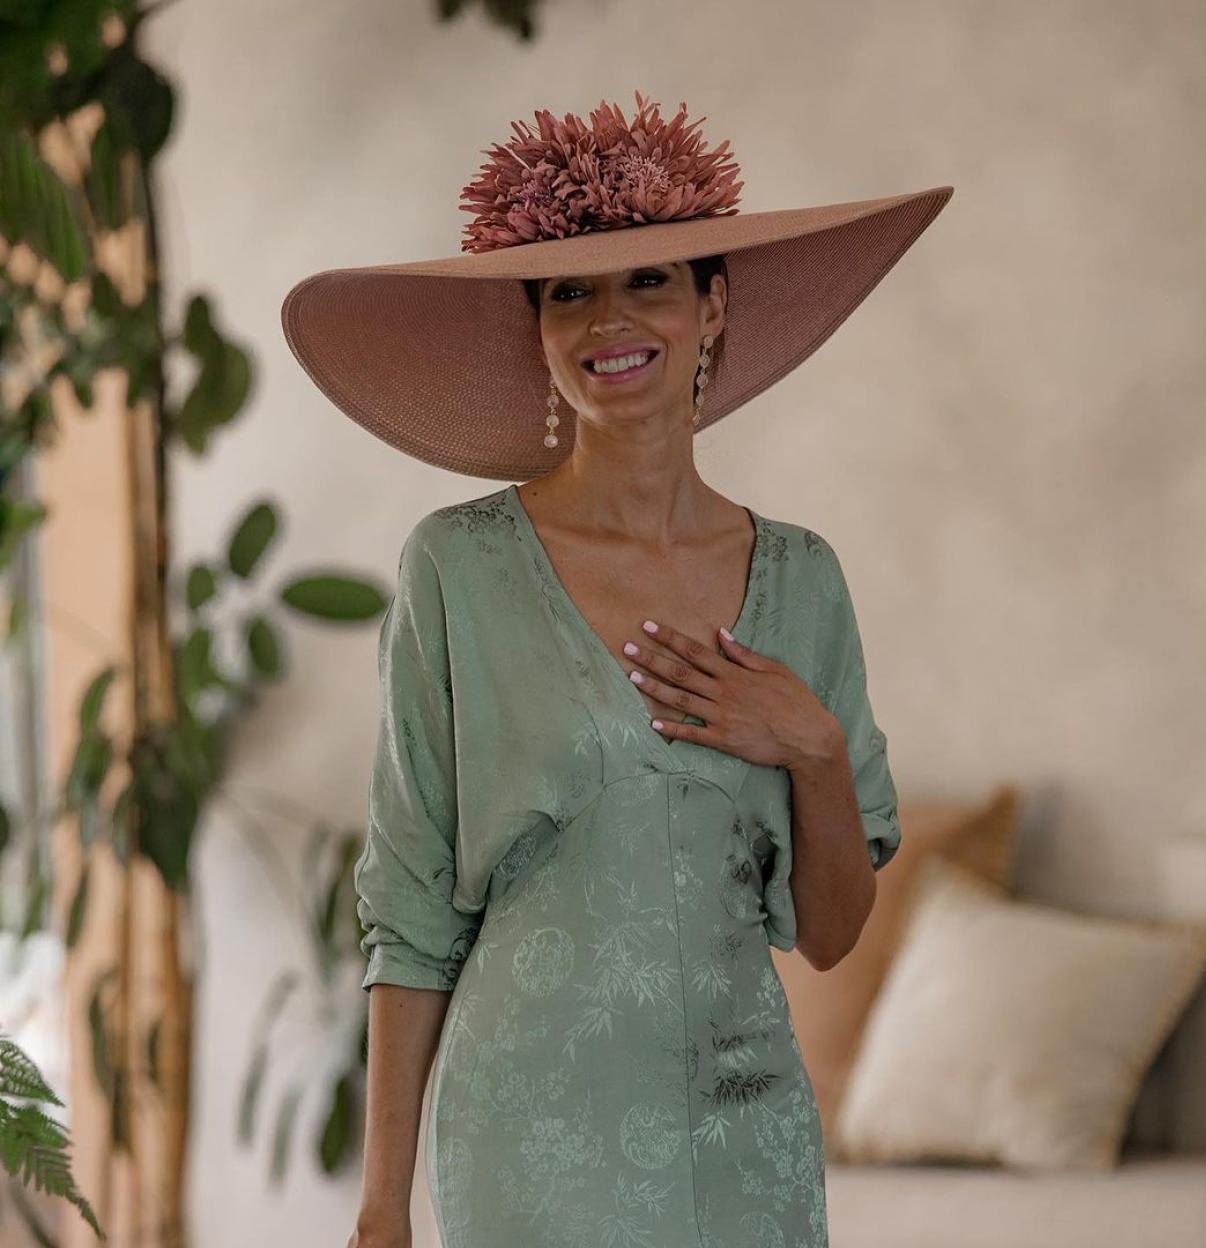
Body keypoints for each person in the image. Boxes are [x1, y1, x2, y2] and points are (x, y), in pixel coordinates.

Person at [282, 91, 952, 1248]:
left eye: (648, 281)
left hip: (750, 1136)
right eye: (568, 290)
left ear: (712, 307)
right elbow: (410, 914)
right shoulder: (457, 572)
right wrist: (382, 1204)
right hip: (529, 1136)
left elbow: (831, 934)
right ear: (537, 330)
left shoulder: (804, 582)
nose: (609, 320)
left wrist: (815, 749)